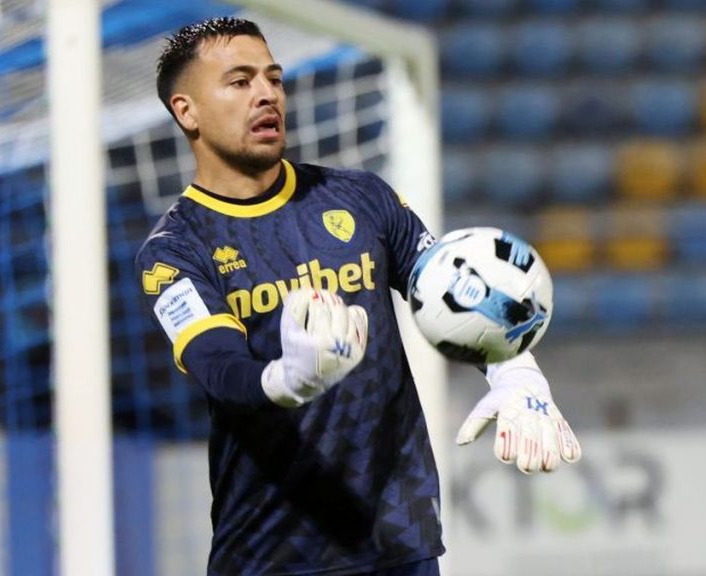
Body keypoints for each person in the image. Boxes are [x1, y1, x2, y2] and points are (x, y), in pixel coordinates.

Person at [136, 16, 581, 576]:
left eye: (273, 78)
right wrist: (286, 378)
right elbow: (219, 368)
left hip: (399, 541)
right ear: (187, 111)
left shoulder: (361, 197)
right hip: (271, 554)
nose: (267, 94)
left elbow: (459, 289)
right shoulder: (175, 250)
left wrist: (516, 373)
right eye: (240, 81)